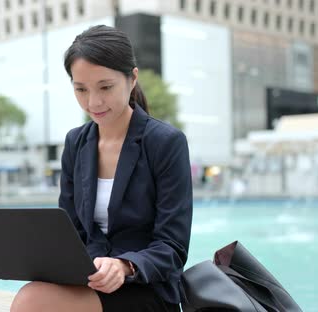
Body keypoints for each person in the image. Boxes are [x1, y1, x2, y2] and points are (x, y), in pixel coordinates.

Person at [11, 25, 193, 312]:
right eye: (80, 89)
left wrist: (124, 265)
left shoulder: (165, 142)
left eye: (105, 87)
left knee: (32, 302)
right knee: (32, 293)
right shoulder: (76, 143)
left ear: (132, 79)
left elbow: (173, 247)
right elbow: (69, 231)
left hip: (144, 288)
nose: (92, 102)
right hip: (90, 280)